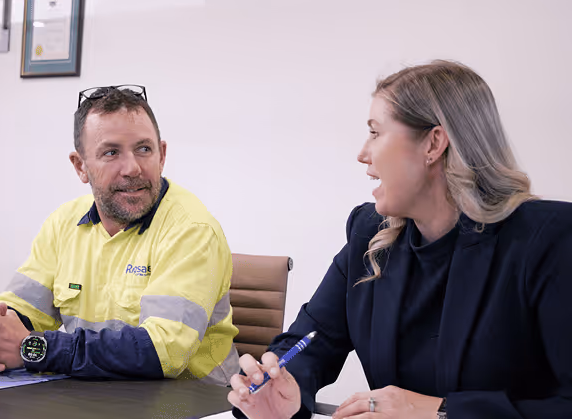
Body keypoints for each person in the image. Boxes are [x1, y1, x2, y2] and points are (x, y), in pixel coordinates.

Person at [228, 61, 572, 418]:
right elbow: (310, 343)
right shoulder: (370, 233)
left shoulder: (548, 239)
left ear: (433, 143)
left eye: (375, 133)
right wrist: (282, 391)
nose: (363, 154)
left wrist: (441, 412)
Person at [0, 85, 240, 385]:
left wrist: (35, 348)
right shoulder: (64, 223)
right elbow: (23, 306)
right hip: (101, 397)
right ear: (81, 166)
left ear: (162, 155)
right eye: (111, 152)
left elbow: (164, 351)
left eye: (144, 149)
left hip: (192, 403)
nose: (132, 168)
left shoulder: (191, 229)